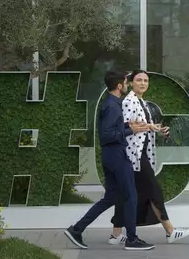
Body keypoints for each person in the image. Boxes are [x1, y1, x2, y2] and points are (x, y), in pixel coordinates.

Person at [64, 70, 155, 251]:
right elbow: (106, 135)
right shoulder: (113, 106)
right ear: (119, 85)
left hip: (112, 156)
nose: (128, 85)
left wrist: (129, 126)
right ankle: (131, 239)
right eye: (126, 83)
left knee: (111, 197)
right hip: (116, 156)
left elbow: (113, 128)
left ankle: (76, 229)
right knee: (131, 196)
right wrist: (131, 131)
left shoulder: (113, 103)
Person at [108, 69, 189, 245]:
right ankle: (170, 231)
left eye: (146, 81)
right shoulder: (129, 102)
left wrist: (159, 130)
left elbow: (144, 126)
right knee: (153, 191)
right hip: (133, 155)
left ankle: (115, 235)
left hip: (141, 154)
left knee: (127, 194)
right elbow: (124, 126)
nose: (143, 83)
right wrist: (147, 127)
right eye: (139, 80)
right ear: (130, 83)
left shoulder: (142, 102)